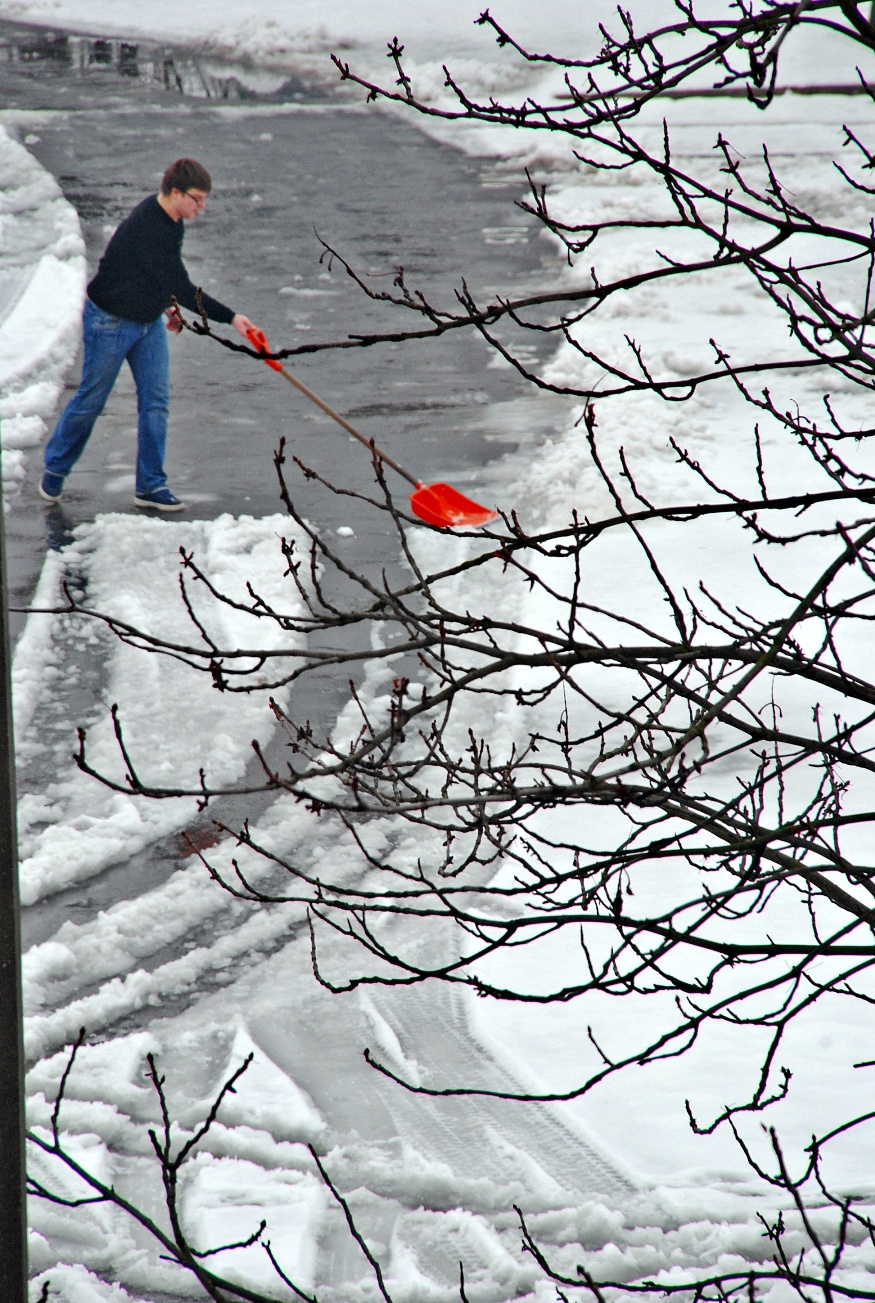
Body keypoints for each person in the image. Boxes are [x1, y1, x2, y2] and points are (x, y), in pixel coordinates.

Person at [39, 157, 258, 512]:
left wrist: (165, 305)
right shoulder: (149, 226)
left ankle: (151, 486)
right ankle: (55, 468)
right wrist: (232, 318)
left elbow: (156, 274)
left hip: (146, 322)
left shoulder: (173, 221)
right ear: (175, 192)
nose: (201, 208)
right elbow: (183, 287)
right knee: (91, 401)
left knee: (156, 403)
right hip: (110, 321)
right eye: (197, 199)